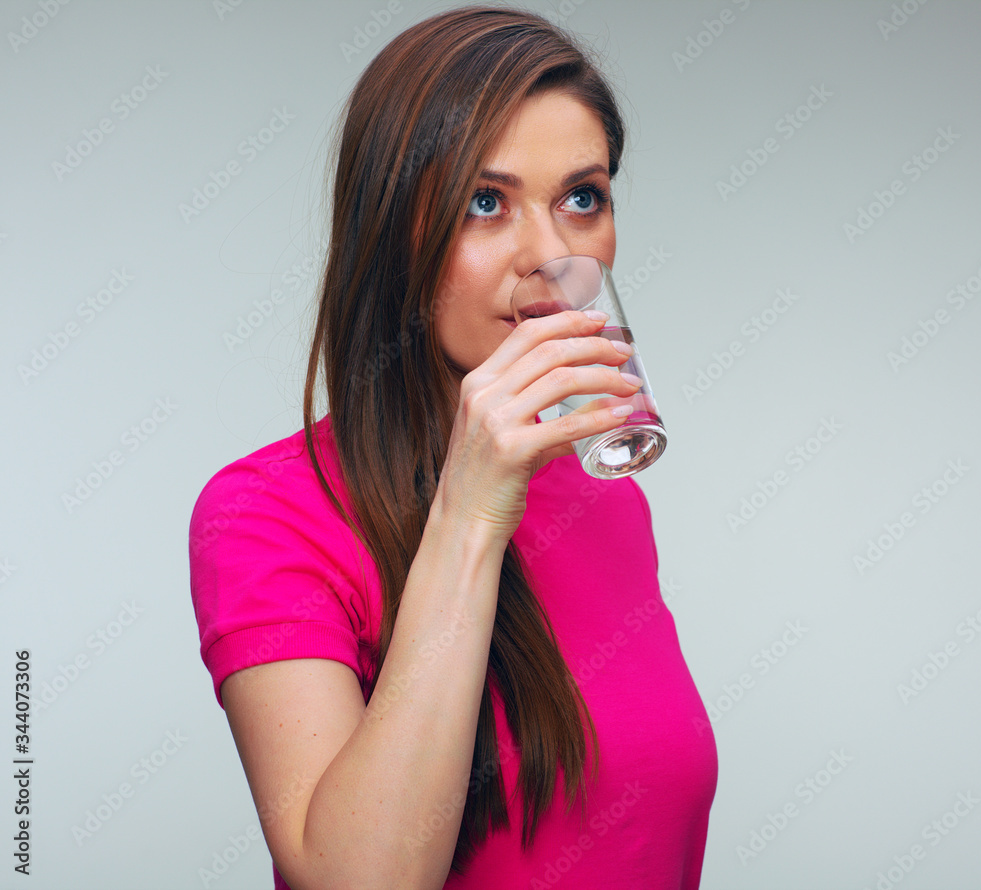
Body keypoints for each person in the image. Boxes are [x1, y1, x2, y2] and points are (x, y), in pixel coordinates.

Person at [188, 6, 717, 888]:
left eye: (581, 198)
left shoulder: (604, 494)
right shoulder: (267, 513)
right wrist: (470, 511)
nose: (551, 255)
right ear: (393, 233)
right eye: (486, 203)